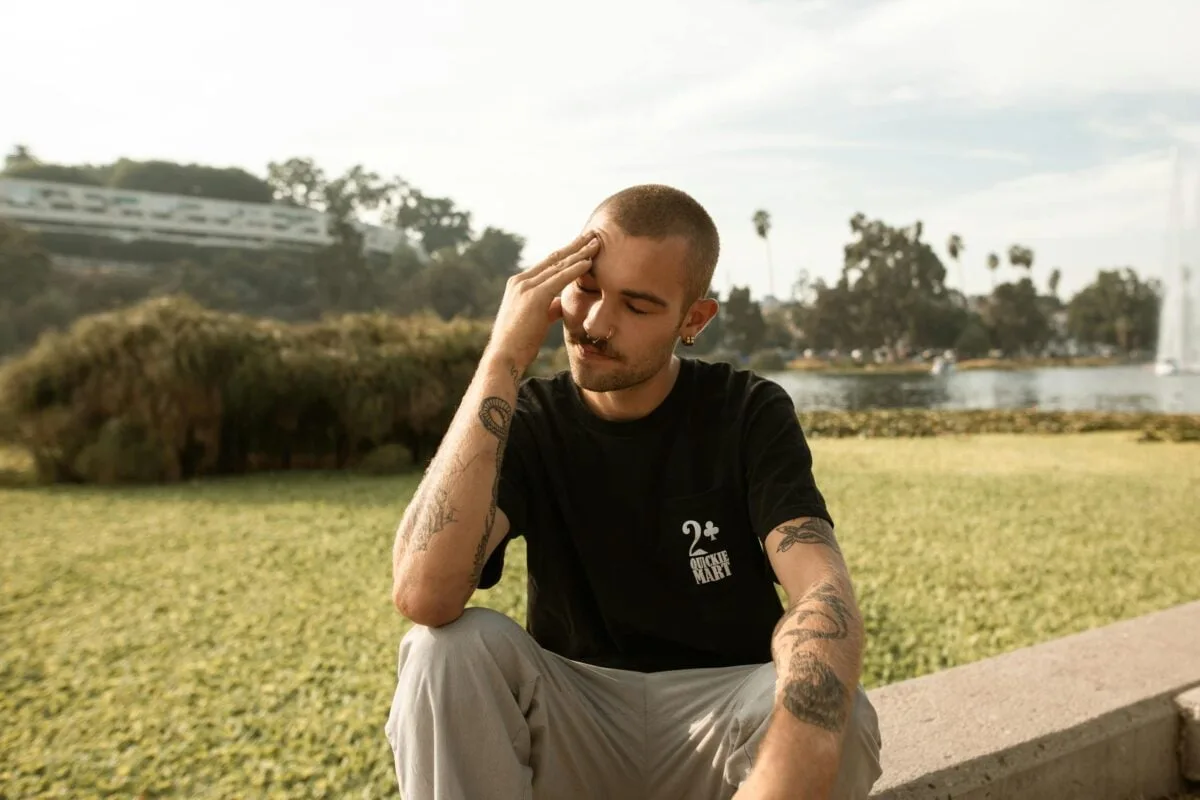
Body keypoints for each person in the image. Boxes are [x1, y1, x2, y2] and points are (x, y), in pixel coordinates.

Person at [384, 184, 883, 800]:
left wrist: (789, 766)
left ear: (693, 320)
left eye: (638, 306)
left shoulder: (746, 410)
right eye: (586, 288)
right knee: (444, 652)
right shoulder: (527, 418)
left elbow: (821, 591)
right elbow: (424, 593)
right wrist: (502, 356)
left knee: (836, 705)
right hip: (574, 719)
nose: (594, 324)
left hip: (721, 716)